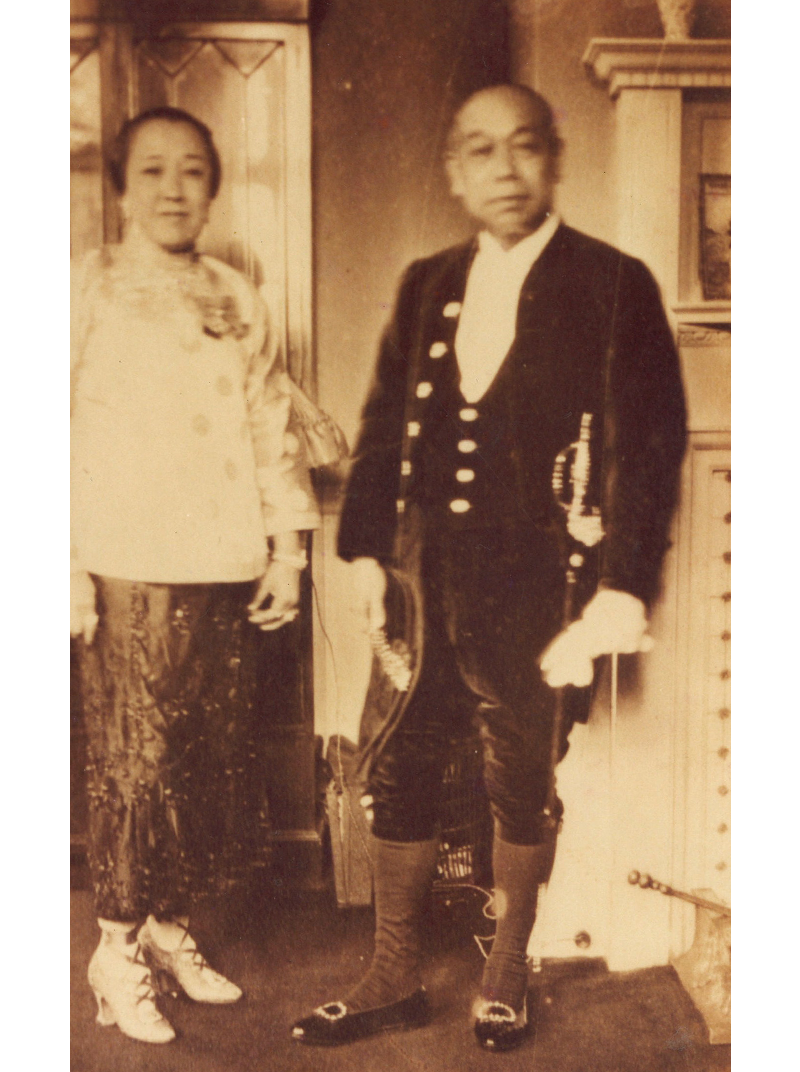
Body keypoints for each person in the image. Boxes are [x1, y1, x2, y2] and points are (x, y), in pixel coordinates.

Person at [291, 84, 686, 1052]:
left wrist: (618, 589)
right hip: (425, 570)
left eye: (520, 148)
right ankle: (391, 973)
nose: (502, 171)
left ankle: (504, 963)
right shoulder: (428, 279)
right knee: (401, 762)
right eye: (478, 152)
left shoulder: (612, 280)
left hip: (537, 579)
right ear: (453, 171)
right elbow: (384, 423)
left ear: (551, 160)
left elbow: (648, 445)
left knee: (518, 772)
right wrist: (370, 558)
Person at [71, 106, 321, 1044]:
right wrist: (61, 569)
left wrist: (288, 552)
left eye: (191, 172)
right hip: (124, 562)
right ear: (122, 189)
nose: (173, 190)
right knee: (136, 762)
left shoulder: (235, 295)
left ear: (213, 188)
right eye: (152, 172)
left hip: (220, 560)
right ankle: (113, 953)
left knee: (206, 761)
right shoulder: (84, 289)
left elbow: (269, 427)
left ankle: (170, 929)